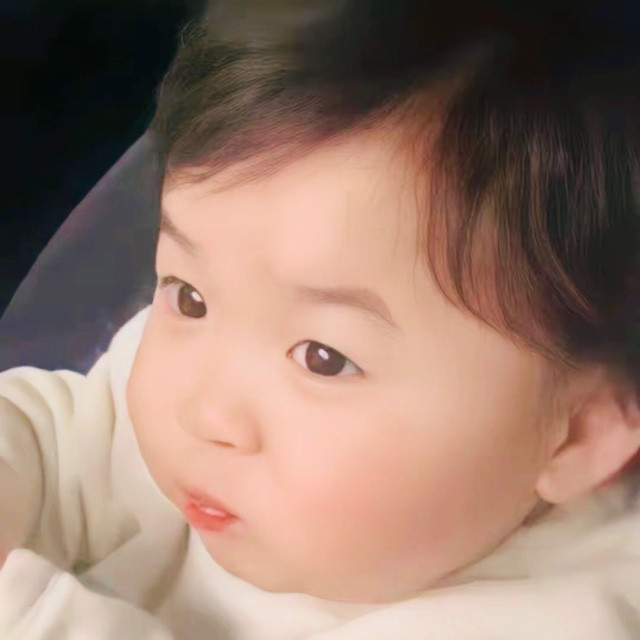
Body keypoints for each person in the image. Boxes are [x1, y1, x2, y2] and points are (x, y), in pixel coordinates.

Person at [1, 1, 639, 638]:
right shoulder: (210, 364)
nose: (202, 413)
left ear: (576, 433)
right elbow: (63, 444)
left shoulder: (555, 621)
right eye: (189, 296)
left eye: (323, 359)